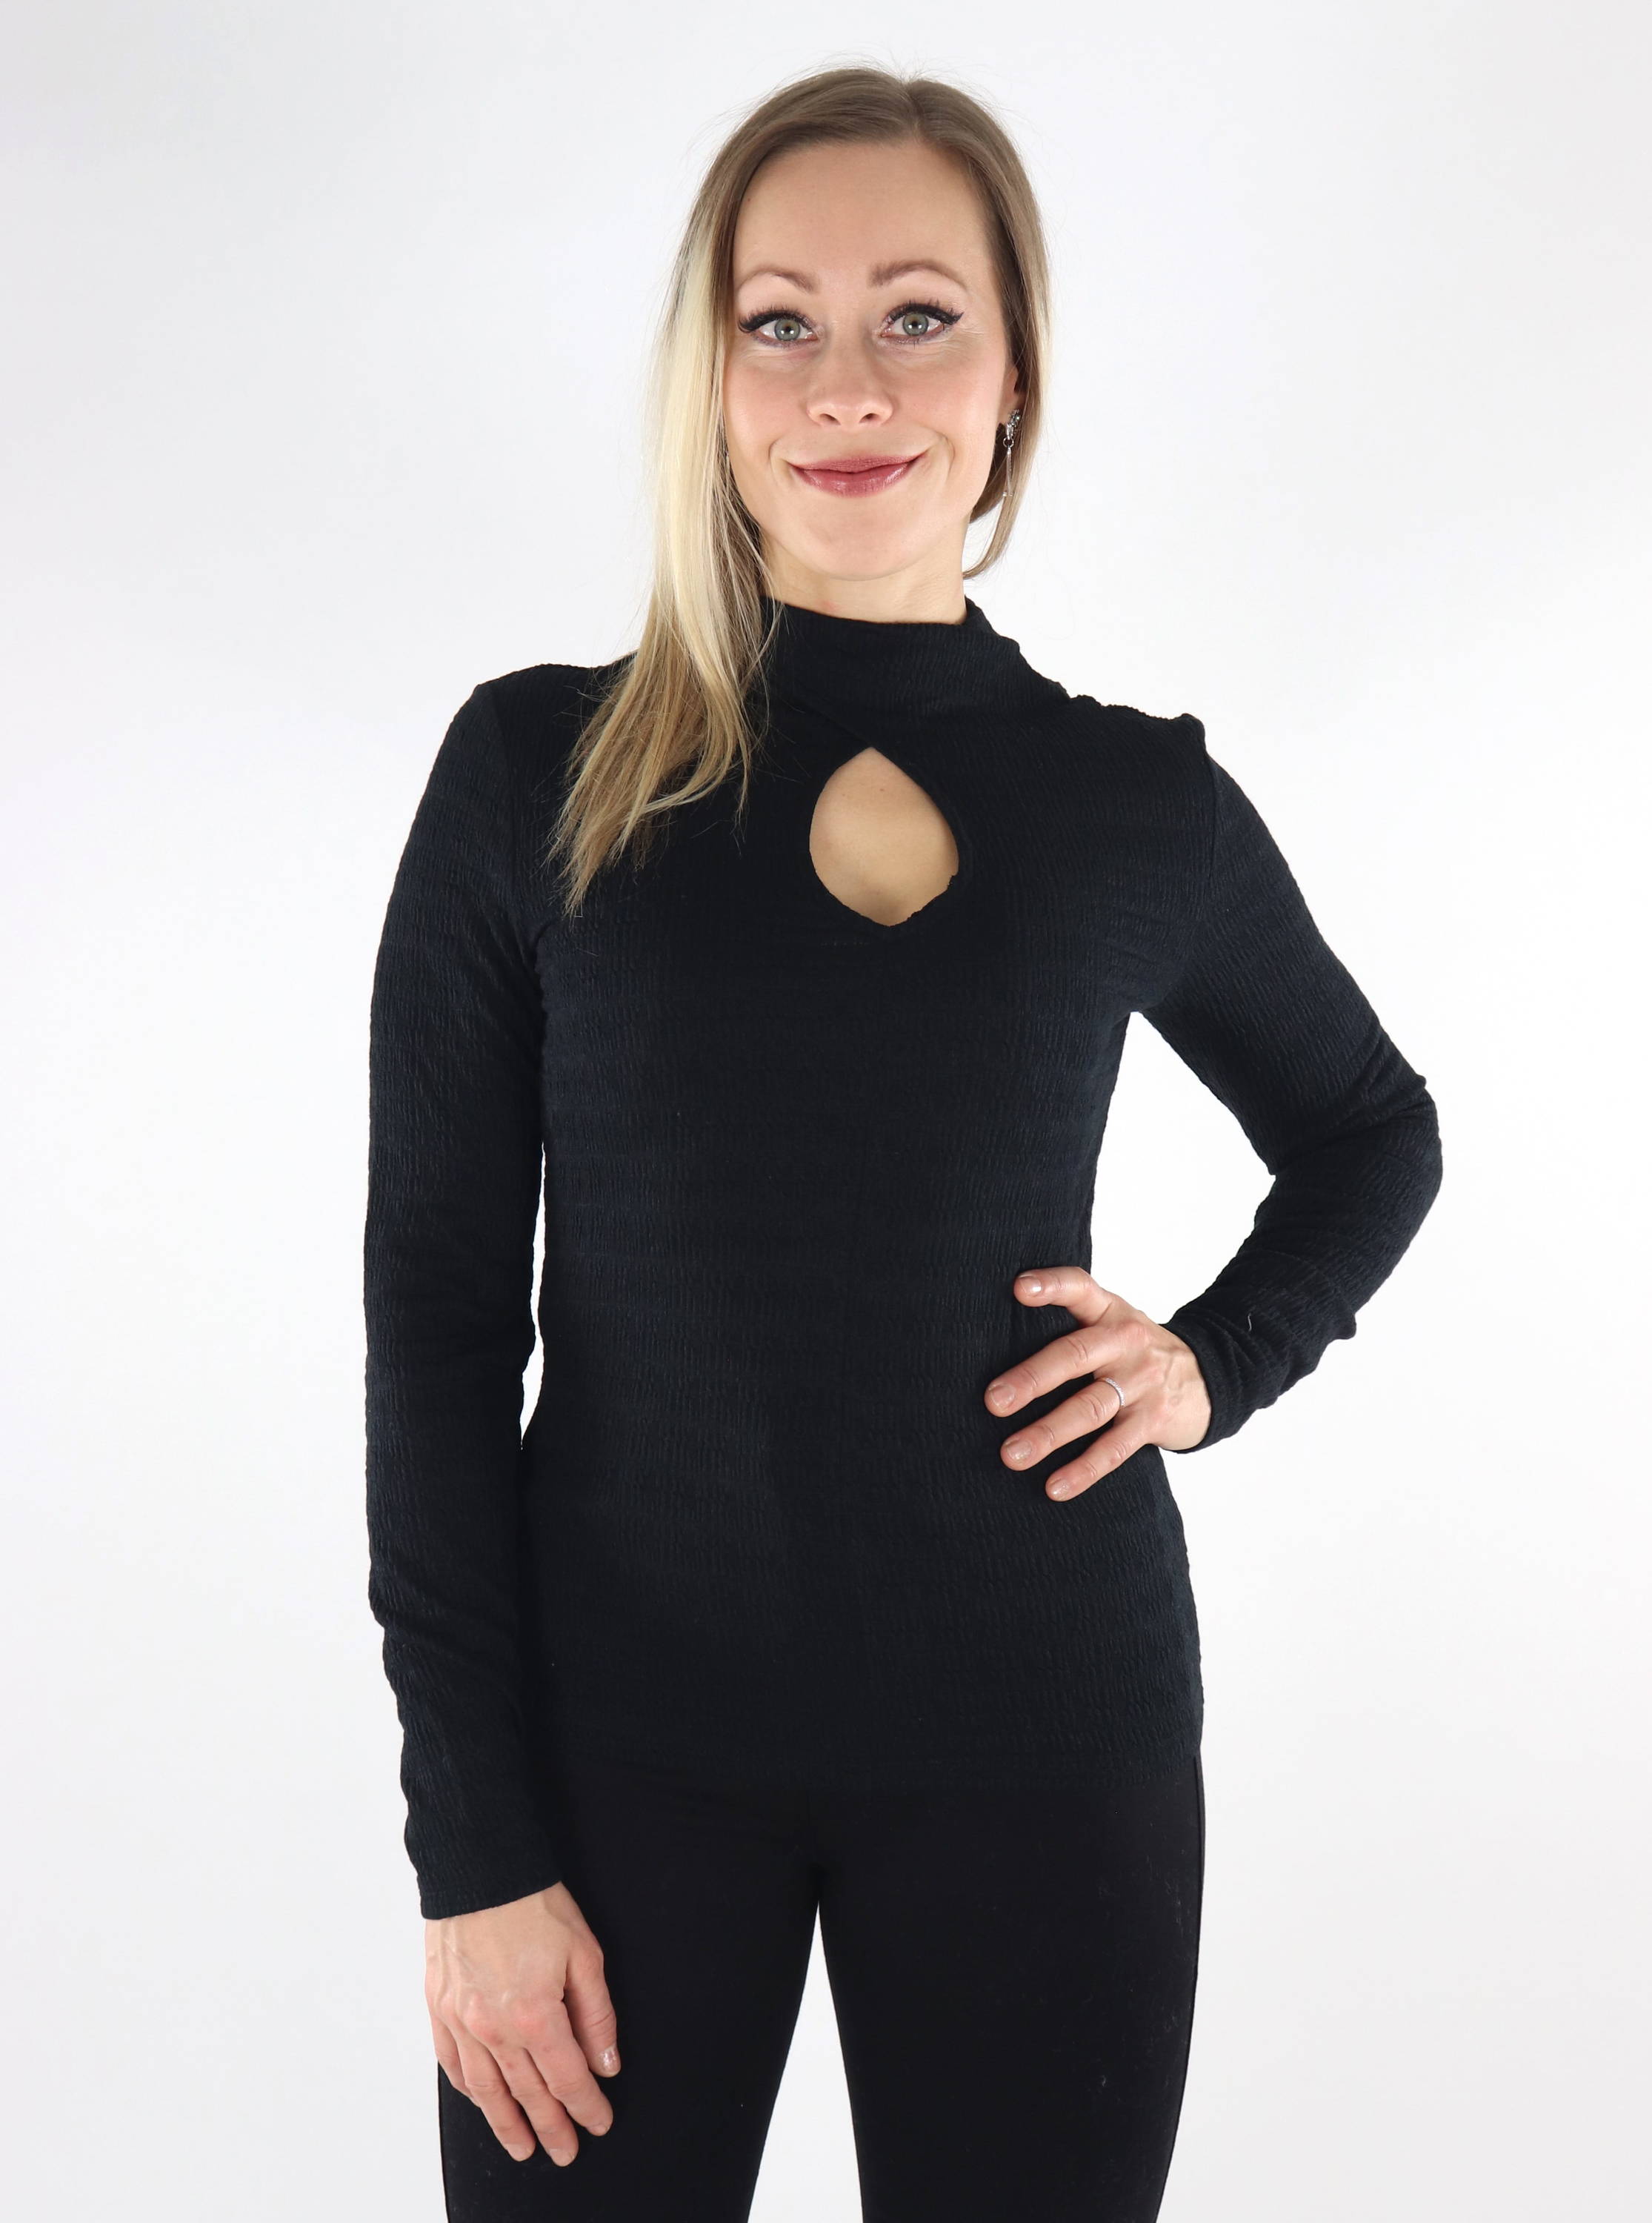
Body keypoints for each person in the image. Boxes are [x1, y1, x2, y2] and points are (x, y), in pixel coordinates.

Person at [363, 63, 1443, 2223]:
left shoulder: (1134, 803)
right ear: (712, 381)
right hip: (615, 1762)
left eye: (918, 315)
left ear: (1014, 372)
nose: (847, 383)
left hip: (1049, 1744)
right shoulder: (538, 772)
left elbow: (1370, 1126)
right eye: (780, 320)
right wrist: (472, 1848)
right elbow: (439, 1329)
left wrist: (1213, 1362)